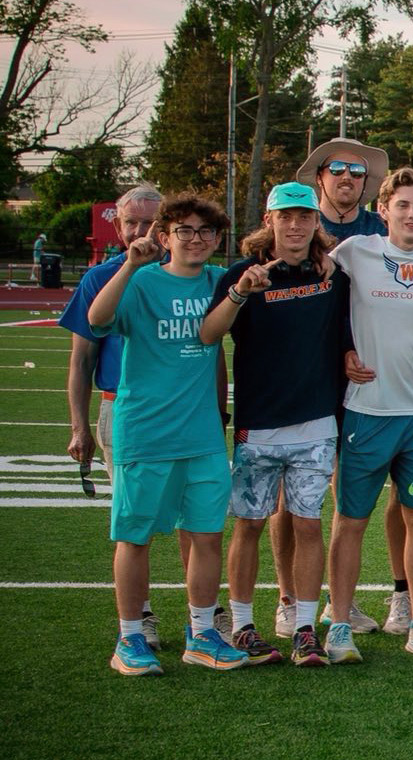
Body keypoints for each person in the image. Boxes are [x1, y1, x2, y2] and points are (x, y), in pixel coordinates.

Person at [89, 194, 248, 675]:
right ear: (165, 237)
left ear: (218, 239)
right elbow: (97, 320)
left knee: (205, 535)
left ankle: (201, 634)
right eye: (184, 230)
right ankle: (130, 637)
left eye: (205, 231)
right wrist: (128, 267)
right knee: (135, 537)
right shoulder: (141, 282)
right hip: (146, 430)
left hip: (200, 434)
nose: (195, 239)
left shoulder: (219, 283)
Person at [198, 182, 350, 668]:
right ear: (270, 220)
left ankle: (304, 628)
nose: (295, 225)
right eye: (285, 216)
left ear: (314, 222)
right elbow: (209, 333)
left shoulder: (331, 274)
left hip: (316, 422)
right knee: (249, 524)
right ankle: (243, 625)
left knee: (308, 524)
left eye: (303, 217)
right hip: (259, 424)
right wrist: (241, 294)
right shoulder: (243, 274)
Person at [323, 168, 413, 663]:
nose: (411, 214)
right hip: (366, 413)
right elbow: (321, 302)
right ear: (383, 210)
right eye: (401, 205)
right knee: (350, 520)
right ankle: (339, 622)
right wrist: (341, 349)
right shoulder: (354, 252)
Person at [61, 185, 165, 647]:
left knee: (193, 520)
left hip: (181, 411)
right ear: (119, 227)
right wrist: (79, 426)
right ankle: (139, 617)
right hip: (120, 408)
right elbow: (81, 360)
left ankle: (205, 613)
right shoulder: (100, 278)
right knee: (133, 519)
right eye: (132, 223)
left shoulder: (189, 272)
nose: (141, 231)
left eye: (151, 222)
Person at [296, 137, 390, 240]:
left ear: (365, 181)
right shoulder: (301, 227)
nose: (347, 177)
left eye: (357, 171)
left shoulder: (385, 228)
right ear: (319, 178)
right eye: (337, 168)